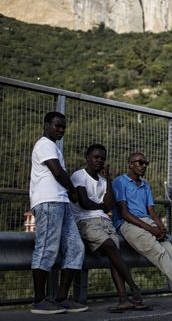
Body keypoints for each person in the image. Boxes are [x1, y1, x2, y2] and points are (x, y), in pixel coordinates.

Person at [112, 152, 172, 308]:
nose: (144, 166)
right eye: (140, 162)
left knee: (171, 252)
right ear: (130, 164)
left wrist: (160, 227)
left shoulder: (145, 185)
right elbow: (125, 213)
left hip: (147, 222)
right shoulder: (120, 182)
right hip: (128, 224)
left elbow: (151, 212)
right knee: (159, 253)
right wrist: (151, 230)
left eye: (146, 163)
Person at [70, 144, 147, 312]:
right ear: (87, 157)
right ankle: (134, 287)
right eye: (96, 157)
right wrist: (100, 205)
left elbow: (109, 206)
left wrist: (109, 181)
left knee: (114, 258)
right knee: (111, 247)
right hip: (86, 221)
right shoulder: (79, 176)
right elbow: (84, 203)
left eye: (102, 158)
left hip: (105, 221)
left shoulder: (104, 181)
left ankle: (123, 299)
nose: (99, 161)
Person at [29, 111, 88, 314]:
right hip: (48, 202)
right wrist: (72, 190)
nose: (61, 129)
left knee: (76, 248)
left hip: (61, 203)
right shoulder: (44, 143)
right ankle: (39, 300)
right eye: (57, 126)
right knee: (47, 248)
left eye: (63, 127)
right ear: (46, 125)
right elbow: (57, 171)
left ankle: (61, 298)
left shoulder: (53, 146)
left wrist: (68, 194)